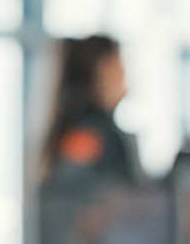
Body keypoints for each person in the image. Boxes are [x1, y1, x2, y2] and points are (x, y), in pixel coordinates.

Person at [39, 34, 141, 191]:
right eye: (118, 65)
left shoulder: (100, 129)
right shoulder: (87, 133)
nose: (124, 75)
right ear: (101, 69)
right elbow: (70, 199)